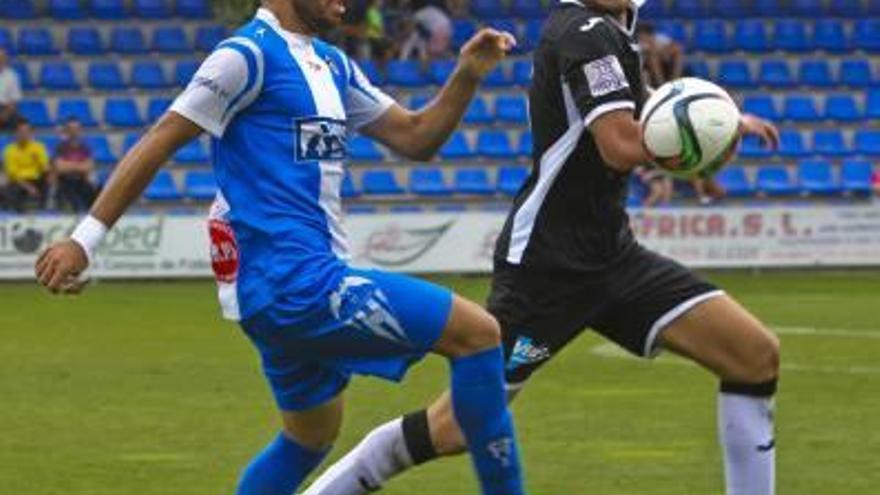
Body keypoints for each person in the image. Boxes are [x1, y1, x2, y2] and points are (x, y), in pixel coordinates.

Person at [35, 1, 527, 494]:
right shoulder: (245, 55)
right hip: (295, 284)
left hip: (280, 291)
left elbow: (417, 137)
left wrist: (466, 75)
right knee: (479, 334)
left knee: (309, 437)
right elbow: (162, 138)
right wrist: (84, 240)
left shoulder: (333, 64)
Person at [300, 1, 782, 495]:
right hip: (547, 266)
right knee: (455, 427)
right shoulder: (584, 30)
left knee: (753, 355)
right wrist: (698, 144)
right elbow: (618, 144)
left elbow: (642, 101)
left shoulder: (609, 31)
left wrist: (725, 120)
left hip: (612, 255)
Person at [3, 119, 49, 212]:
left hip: (36, 179)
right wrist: (28, 187)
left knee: (47, 183)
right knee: (12, 189)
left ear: (30, 133)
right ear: (16, 133)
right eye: (21, 131)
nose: (24, 134)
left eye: (26, 131)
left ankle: (43, 211)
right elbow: (13, 175)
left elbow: (45, 167)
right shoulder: (9, 150)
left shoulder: (38, 147)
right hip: (19, 182)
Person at [53, 117, 97, 212]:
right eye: (71, 128)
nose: (74, 131)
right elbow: (60, 168)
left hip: (81, 181)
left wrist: (68, 165)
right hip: (65, 182)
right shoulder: (60, 147)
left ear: (80, 130)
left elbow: (89, 167)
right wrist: (79, 165)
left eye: (76, 128)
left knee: (93, 192)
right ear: (67, 130)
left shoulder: (85, 148)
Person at [636, 21, 683, 88]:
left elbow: (675, 47)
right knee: (652, 57)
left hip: (663, 63)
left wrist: (665, 53)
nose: (643, 36)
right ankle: (661, 85)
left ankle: (675, 81)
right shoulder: (637, 42)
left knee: (678, 52)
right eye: (642, 34)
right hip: (644, 67)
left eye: (646, 34)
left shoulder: (659, 38)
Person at [0, 47, 23, 131]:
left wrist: (4, 115)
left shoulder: (12, 75)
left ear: (6, 60)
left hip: (6, 109)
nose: (0, 60)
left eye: (2, 58)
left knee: (21, 123)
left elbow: (14, 101)